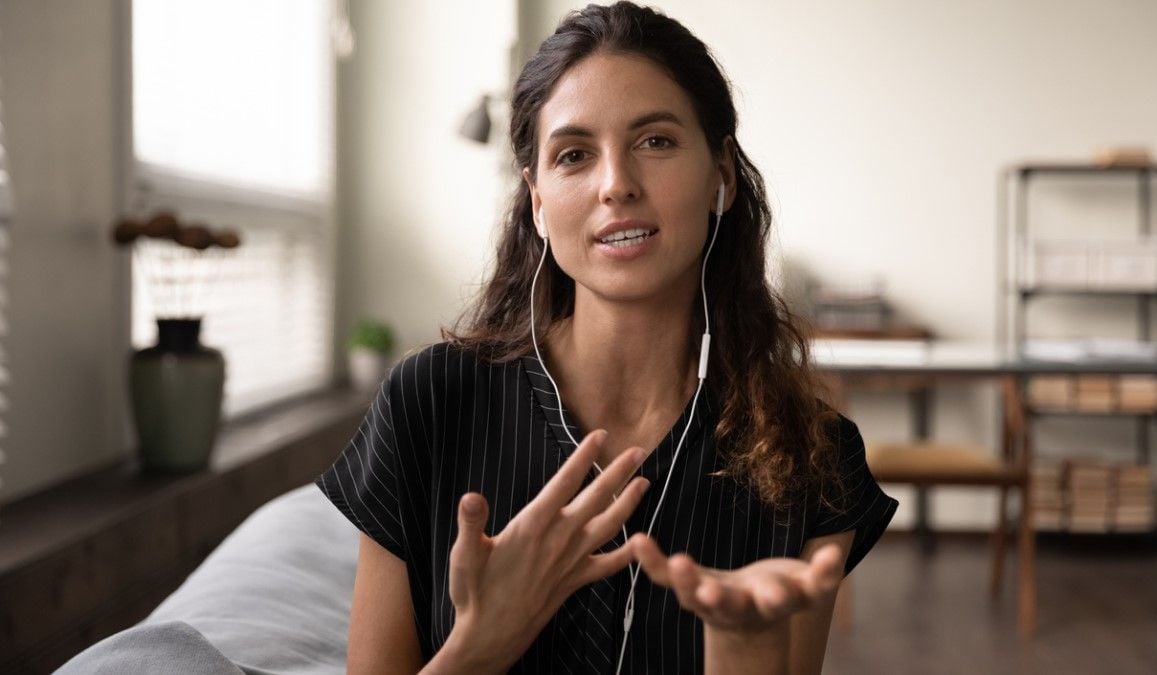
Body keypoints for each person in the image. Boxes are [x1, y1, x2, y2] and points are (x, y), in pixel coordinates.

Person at [315, 2, 898, 673]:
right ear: (536, 200)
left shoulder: (810, 454)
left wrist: (744, 644)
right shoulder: (429, 403)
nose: (616, 184)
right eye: (574, 155)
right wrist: (480, 644)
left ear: (723, 176)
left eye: (655, 141)